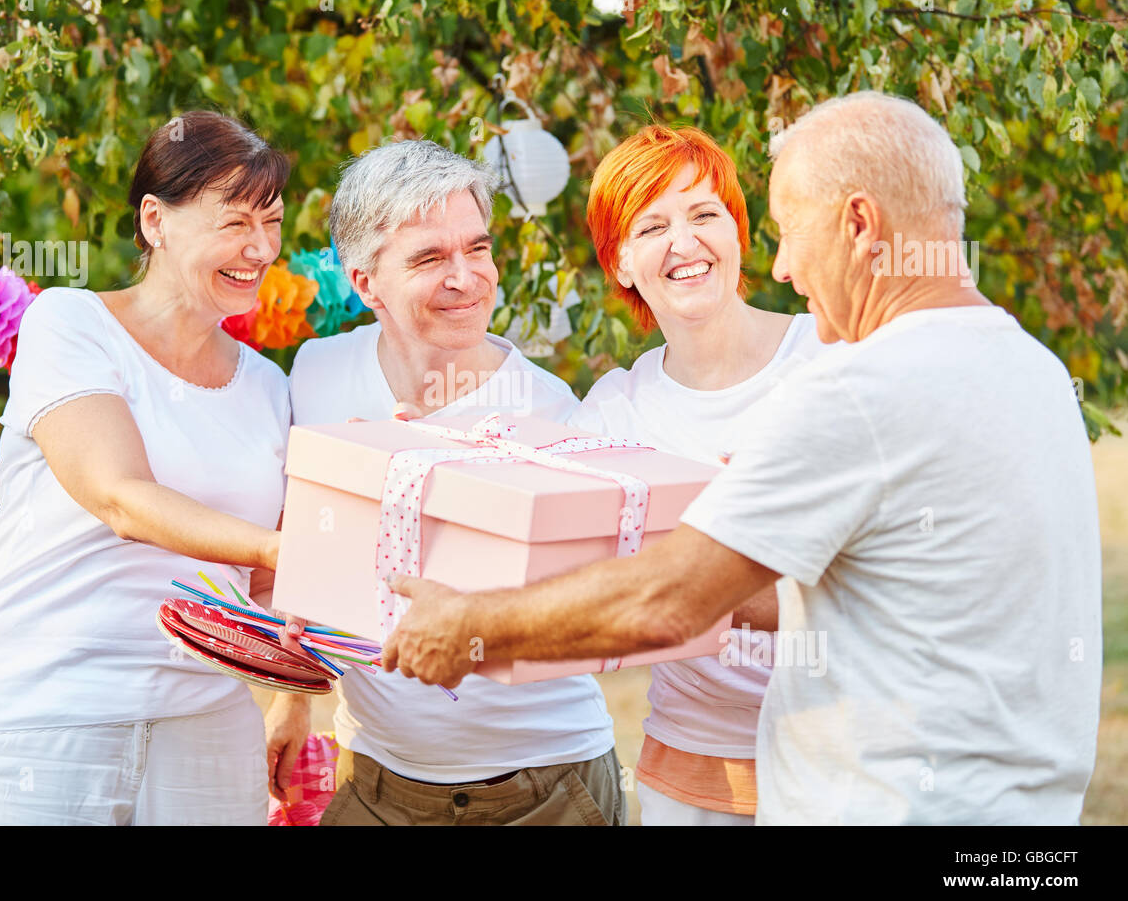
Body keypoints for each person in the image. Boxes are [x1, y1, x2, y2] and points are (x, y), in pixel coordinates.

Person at [384, 91, 1102, 825]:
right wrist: (449, 455)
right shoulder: (1032, 365)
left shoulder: (856, 388)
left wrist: (472, 627)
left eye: (791, 233)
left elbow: (669, 601)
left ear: (858, 224)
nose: (785, 266)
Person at [0, 111, 294, 825]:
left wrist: (299, 690)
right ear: (155, 221)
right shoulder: (69, 325)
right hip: (36, 718)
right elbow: (121, 497)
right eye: (236, 222)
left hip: (205, 732)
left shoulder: (270, 387)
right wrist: (273, 546)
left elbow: (272, 587)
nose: (261, 248)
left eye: (272, 222)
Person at [265, 139, 625, 826]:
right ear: (366, 283)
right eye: (430, 258)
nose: (467, 276)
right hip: (376, 780)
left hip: (546, 789)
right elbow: (308, 552)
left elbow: (593, 617)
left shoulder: (552, 413)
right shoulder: (316, 373)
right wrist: (293, 698)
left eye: (478, 248)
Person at [571, 124, 830, 825]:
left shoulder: (828, 360)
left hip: (846, 756)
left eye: (704, 215)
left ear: (740, 236)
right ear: (621, 262)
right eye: (652, 225)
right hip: (691, 772)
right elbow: (551, 550)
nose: (684, 244)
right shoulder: (614, 415)